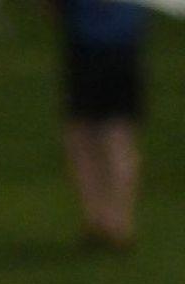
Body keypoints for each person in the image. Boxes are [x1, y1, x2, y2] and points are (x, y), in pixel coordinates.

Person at [56, 0, 150, 250]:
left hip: (89, 46)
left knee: (86, 136)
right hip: (124, 46)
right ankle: (117, 222)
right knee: (116, 136)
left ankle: (100, 220)